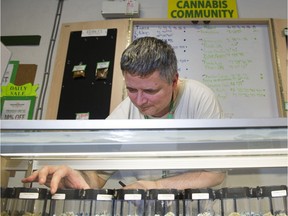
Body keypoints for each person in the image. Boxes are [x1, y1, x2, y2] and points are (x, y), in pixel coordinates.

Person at [22, 37, 226, 194]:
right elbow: (97, 178)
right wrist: (75, 178)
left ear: (174, 81)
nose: (139, 100)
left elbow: (215, 174)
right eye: (131, 89)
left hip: (197, 205)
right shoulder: (124, 113)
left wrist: (154, 185)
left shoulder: (199, 99)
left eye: (150, 91)